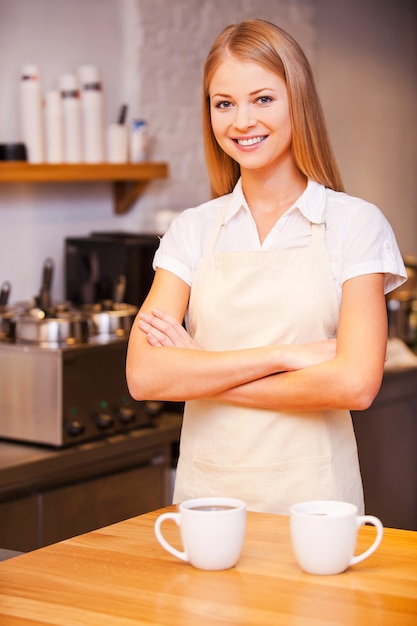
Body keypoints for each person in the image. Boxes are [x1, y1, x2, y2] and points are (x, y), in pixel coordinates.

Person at [126, 19, 407, 514]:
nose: (241, 122)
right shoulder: (192, 231)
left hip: (316, 508)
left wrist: (202, 373)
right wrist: (284, 355)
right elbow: (146, 377)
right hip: (206, 505)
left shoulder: (354, 224)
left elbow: (355, 384)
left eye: (262, 99)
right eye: (224, 103)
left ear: (298, 100)